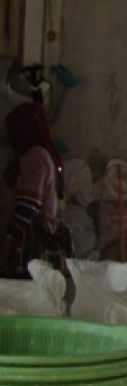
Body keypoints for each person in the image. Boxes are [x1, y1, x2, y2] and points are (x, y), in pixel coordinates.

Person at [0, 102, 71, 277]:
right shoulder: (32, 157)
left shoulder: (36, 157)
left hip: (26, 248)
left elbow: (29, 206)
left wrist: (8, 242)